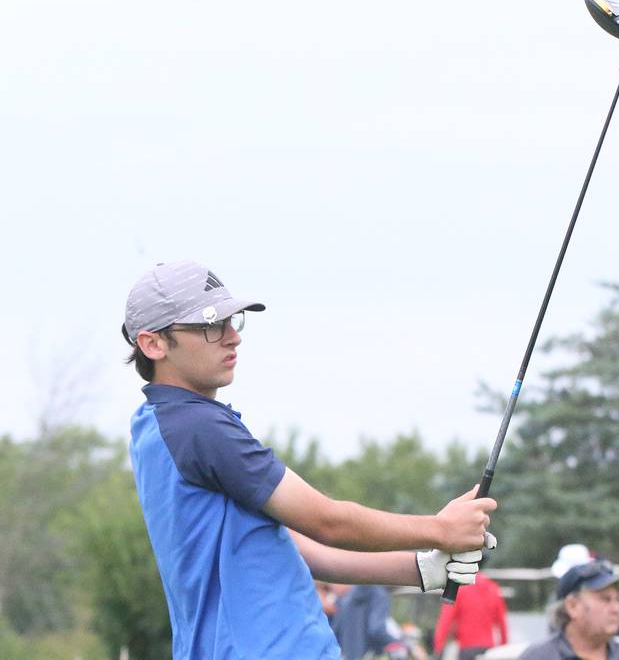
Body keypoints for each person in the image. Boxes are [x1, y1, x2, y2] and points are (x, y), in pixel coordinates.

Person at [122, 260, 498, 660]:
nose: (233, 338)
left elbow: (301, 548)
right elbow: (327, 521)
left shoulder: (157, 426)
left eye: (234, 322)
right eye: (210, 326)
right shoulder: (198, 426)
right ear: (153, 344)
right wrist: (441, 530)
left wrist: (420, 569)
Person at [518, 561, 619, 660]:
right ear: (572, 606)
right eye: (605, 599)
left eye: (617, 600)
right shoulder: (539, 657)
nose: (616, 609)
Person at [432, 570, 508, 660]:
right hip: (488, 649)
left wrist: (438, 648)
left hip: (467, 648)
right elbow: (502, 623)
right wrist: (504, 647)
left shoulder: (460, 589)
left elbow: (445, 621)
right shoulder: (493, 588)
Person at [331, 585, 408, 660]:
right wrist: (401, 645)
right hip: (367, 655)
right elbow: (376, 630)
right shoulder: (380, 595)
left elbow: (335, 631)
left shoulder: (347, 597)